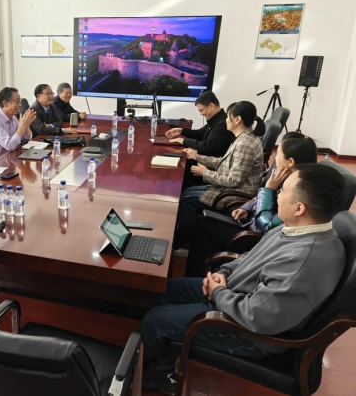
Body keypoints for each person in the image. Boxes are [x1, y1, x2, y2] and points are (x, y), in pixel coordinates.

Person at [141, 163, 346, 394]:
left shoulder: (305, 261)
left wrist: (218, 293)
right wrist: (223, 273)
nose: (277, 195)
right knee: (160, 290)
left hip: (249, 332)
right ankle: (160, 352)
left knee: (156, 321)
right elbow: (249, 257)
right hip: (232, 296)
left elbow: (259, 316)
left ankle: (157, 373)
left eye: (282, 191)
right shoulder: (295, 228)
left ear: (299, 208)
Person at [184, 132, 318, 276]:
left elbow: (268, 226)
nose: (275, 156)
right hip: (250, 223)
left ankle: (186, 270)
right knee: (202, 235)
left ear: (290, 162)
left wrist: (269, 189)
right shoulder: (286, 175)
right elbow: (258, 198)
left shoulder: (298, 190)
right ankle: (194, 277)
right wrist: (245, 207)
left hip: (257, 239)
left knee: (201, 225)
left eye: (278, 153)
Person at [177, 101, 265, 230]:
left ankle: (187, 236)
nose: (225, 120)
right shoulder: (243, 137)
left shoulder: (245, 144)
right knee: (186, 191)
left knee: (186, 199)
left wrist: (205, 173)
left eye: (228, 117)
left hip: (235, 194)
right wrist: (198, 157)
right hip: (230, 189)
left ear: (237, 120)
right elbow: (225, 162)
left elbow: (233, 180)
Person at [165, 91, 234, 157]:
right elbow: (200, 134)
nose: (201, 114)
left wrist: (184, 141)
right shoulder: (215, 119)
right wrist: (182, 131)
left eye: (201, 110)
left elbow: (207, 146)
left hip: (209, 162)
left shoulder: (222, 123)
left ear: (211, 106)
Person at [0, 87, 36, 162]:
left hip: (8, 157)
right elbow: (9, 146)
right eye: (17, 102)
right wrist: (22, 126)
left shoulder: (13, 117)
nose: (20, 105)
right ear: (5, 103)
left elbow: (25, 141)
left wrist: (27, 125)